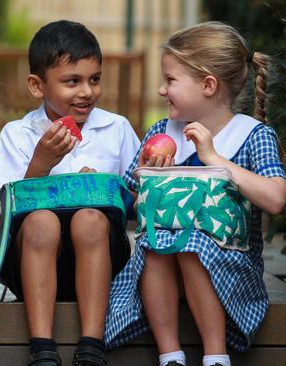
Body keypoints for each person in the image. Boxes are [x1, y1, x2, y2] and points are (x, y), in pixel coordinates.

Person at [104, 21, 286, 366]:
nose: (161, 90)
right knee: (158, 243)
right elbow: (132, 205)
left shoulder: (251, 135)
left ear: (208, 85)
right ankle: (170, 355)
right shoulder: (162, 132)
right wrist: (150, 173)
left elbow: (277, 199)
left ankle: (216, 356)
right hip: (165, 268)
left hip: (231, 269)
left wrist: (214, 159)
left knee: (191, 244)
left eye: (170, 80)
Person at [0, 20, 140, 366]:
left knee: (90, 218)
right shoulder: (18, 133)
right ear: (37, 85)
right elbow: (7, 208)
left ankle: (92, 343)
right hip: (33, 258)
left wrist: (108, 191)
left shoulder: (115, 128)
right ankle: (42, 346)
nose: (86, 92)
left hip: (102, 259)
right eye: (72, 81)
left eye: (94, 79)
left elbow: (136, 197)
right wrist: (41, 162)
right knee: (42, 220)